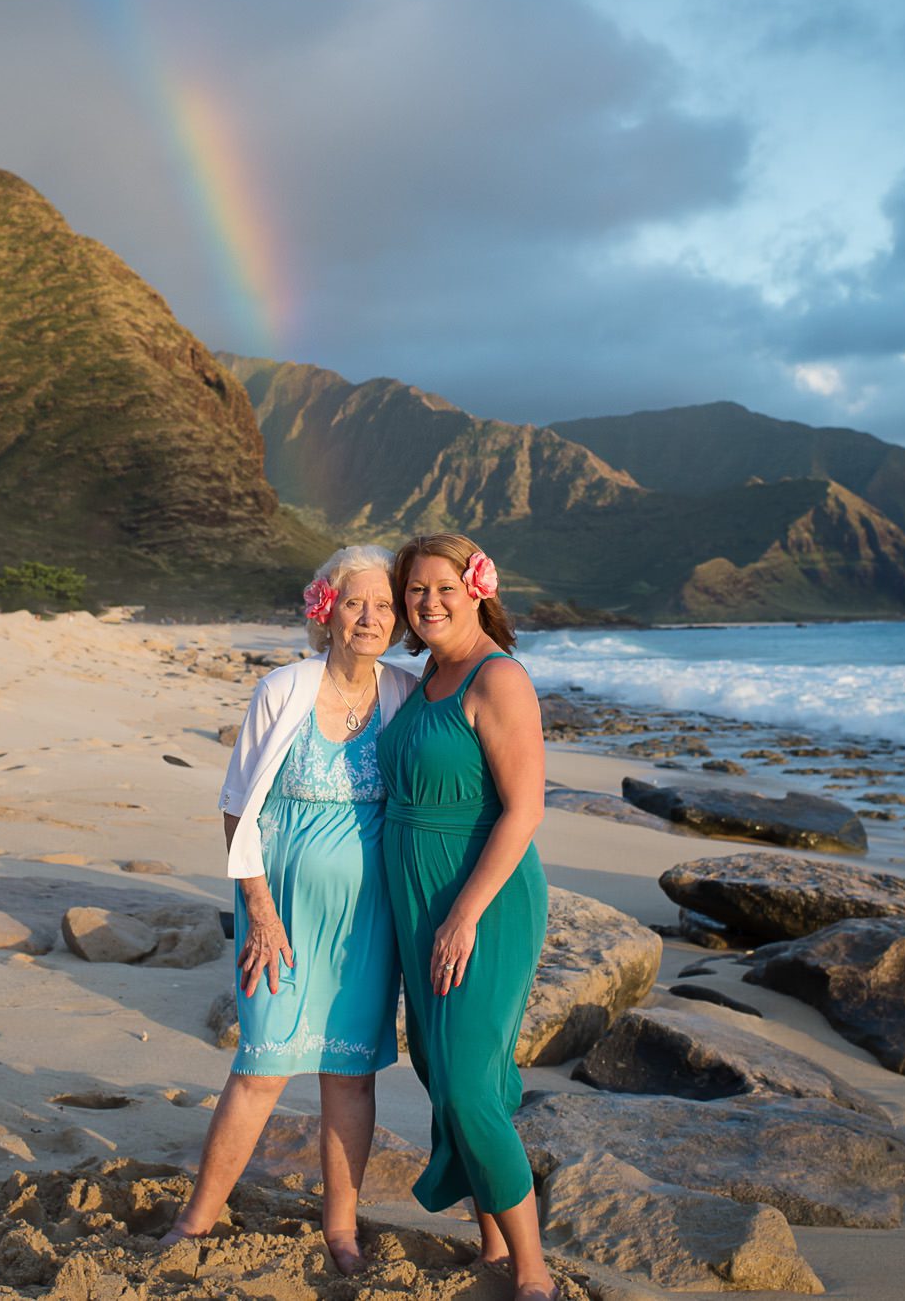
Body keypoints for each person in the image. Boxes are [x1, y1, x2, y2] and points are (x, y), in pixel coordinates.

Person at [162, 545, 419, 1275]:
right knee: (262, 1065)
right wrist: (260, 909)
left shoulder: (405, 693)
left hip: (367, 921)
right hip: (278, 911)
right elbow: (236, 806)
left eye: (383, 606)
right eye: (355, 602)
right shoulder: (283, 688)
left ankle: (342, 1231)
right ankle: (194, 1220)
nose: (369, 617)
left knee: (350, 1075)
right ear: (326, 611)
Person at [377, 533, 552, 1301]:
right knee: (437, 1069)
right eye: (415, 590)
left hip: (483, 899)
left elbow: (525, 810)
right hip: (418, 898)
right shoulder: (422, 679)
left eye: (444, 587)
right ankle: (488, 1241)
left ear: (478, 588)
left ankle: (534, 1268)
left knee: (472, 1086)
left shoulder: (497, 677)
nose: (429, 603)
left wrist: (465, 915)